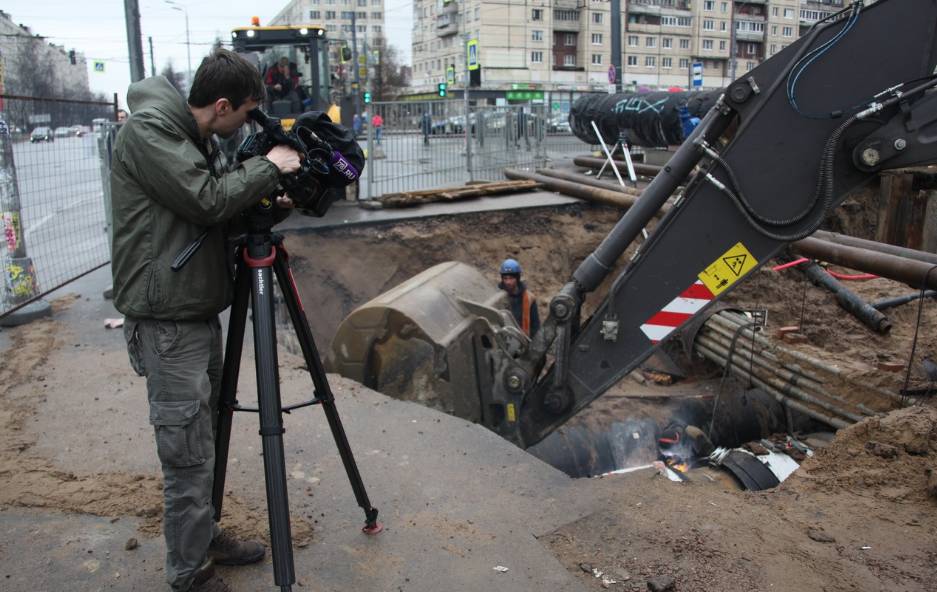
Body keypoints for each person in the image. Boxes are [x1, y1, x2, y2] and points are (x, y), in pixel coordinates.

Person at [110, 48, 301, 592]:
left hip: (193, 312)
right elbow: (206, 200)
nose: (246, 126)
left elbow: (219, 211)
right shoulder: (149, 134)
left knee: (205, 439)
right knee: (187, 454)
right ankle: (188, 573)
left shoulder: (191, 138)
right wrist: (268, 166)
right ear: (221, 106)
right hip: (166, 321)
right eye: (245, 114)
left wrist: (273, 195)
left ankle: (203, 534)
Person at [498, 258, 540, 337]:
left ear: (517, 278)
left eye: (511, 278)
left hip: (523, 340)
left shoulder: (529, 298)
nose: (508, 282)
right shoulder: (498, 297)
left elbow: (535, 326)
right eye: (505, 278)